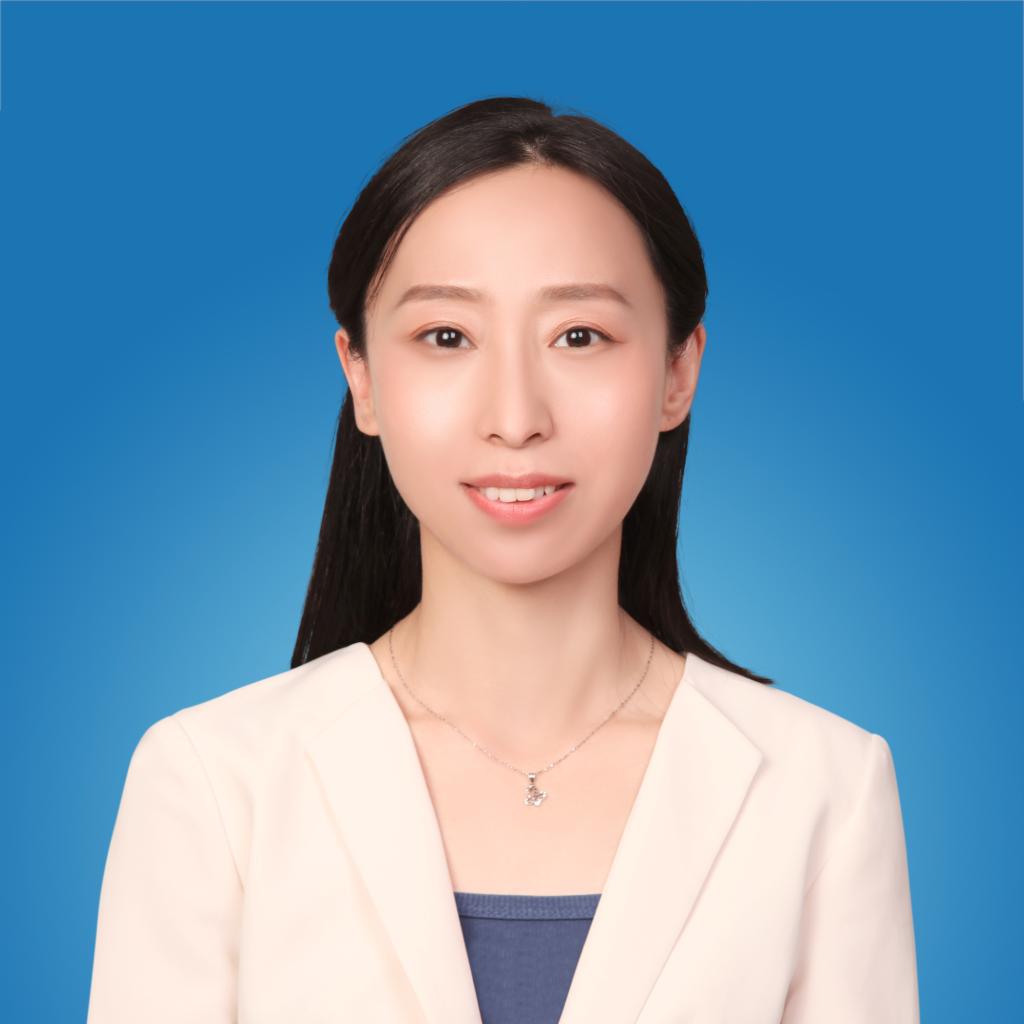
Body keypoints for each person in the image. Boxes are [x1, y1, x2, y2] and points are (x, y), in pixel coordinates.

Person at [86, 96, 920, 1023]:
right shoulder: (214, 783)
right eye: (446, 337)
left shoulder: (823, 788)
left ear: (678, 372)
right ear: (361, 377)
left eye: (579, 336)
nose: (516, 417)